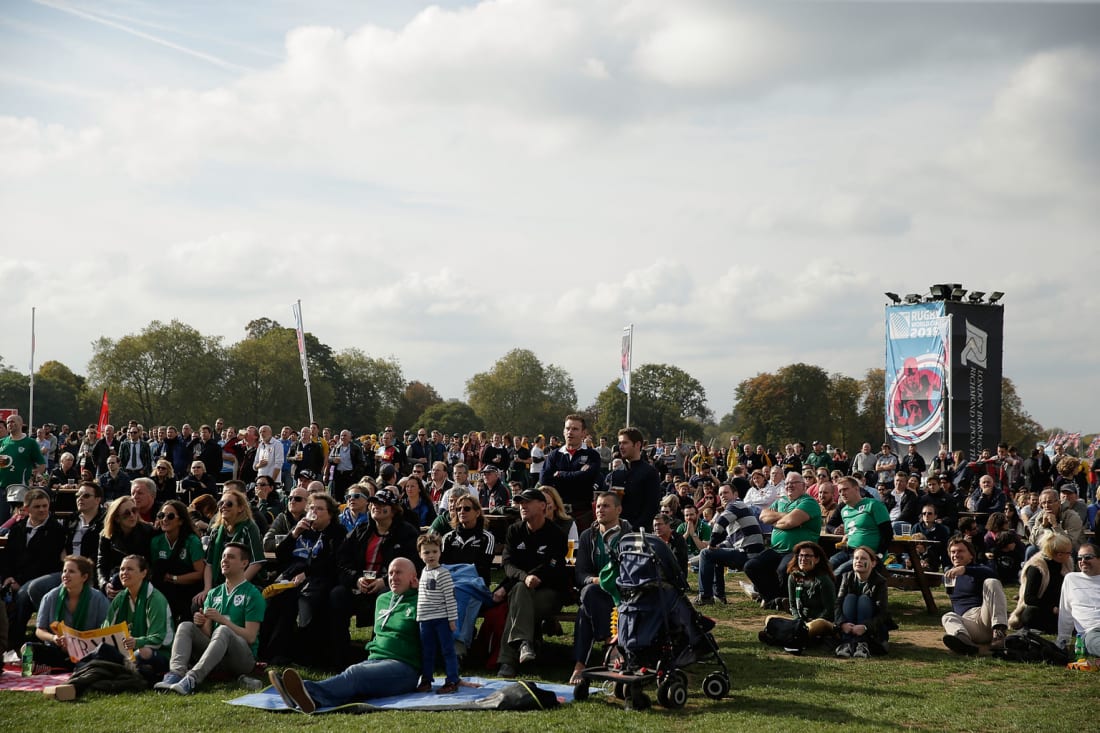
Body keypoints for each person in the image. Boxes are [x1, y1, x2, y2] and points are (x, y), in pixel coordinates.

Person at [267, 558, 422, 713]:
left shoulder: (421, 602)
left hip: (404, 668)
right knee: (352, 680)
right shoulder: (382, 600)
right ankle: (310, 699)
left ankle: (304, 690)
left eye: (399, 573)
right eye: (390, 573)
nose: (393, 577)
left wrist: (427, 678)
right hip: (376, 660)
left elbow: (430, 640)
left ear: (413, 578)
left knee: (356, 674)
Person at [155, 542, 266, 695]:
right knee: (186, 626)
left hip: (242, 659)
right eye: (223, 557)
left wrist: (223, 621)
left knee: (223, 630)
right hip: (214, 657)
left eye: (231, 557)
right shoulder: (214, 593)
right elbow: (208, 634)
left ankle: (192, 679)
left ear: (244, 563)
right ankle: (175, 675)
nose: (224, 560)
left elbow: (251, 637)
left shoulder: (253, 594)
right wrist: (201, 624)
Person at [332, 488, 420, 657]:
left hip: (389, 584)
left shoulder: (407, 533)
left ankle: (379, 650)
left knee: (386, 595)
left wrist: (384, 580)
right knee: (337, 595)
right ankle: (340, 652)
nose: (376, 507)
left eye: (382, 504)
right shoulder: (361, 531)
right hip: (361, 582)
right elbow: (342, 559)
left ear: (393, 509)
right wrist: (356, 579)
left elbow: (414, 563)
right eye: (373, 503)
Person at [265, 492, 346, 667]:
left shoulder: (336, 532)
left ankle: (304, 656)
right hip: (291, 574)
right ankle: (272, 653)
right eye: (311, 508)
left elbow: (333, 562)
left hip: (319, 577)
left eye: (319, 509)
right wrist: (294, 534)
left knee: (305, 600)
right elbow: (280, 555)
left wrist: (307, 573)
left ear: (330, 514)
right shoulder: (302, 529)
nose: (314, 512)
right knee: (277, 598)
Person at [497, 488, 569, 678]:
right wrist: (524, 577)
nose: (523, 506)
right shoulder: (514, 530)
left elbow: (553, 565)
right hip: (522, 589)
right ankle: (524, 644)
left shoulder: (556, 534)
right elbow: (508, 563)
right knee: (520, 591)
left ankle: (508, 661)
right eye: (520, 503)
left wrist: (536, 577)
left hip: (549, 591)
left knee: (518, 602)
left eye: (527, 502)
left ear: (543, 506)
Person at [570, 491, 632, 683]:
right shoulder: (589, 535)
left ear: (618, 509)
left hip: (623, 593)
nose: (600, 510)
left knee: (584, 612)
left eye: (605, 506)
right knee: (590, 593)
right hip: (596, 591)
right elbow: (580, 573)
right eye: (597, 506)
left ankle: (580, 665)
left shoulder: (629, 535)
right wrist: (595, 580)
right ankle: (610, 644)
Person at [745, 472, 823, 609]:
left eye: (793, 483)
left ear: (803, 485)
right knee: (751, 566)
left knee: (783, 569)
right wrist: (786, 517)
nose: (789, 486)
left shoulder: (808, 502)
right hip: (776, 549)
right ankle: (772, 599)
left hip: (798, 551)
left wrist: (777, 520)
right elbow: (763, 516)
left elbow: (790, 522)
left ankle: (782, 600)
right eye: (787, 483)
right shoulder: (781, 501)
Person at [2, 488, 66, 649]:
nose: (42, 510)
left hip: (43, 578)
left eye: (45, 506)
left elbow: (47, 562)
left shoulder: (56, 530)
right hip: (14, 578)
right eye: (37, 506)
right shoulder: (18, 528)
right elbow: (7, 557)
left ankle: (14, 643)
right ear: (27, 509)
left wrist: (20, 582)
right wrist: (8, 577)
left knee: (23, 594)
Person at [29, 555, 109, 669]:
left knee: (104, 654)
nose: (65, 575)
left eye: (71, 571)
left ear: (84, 577)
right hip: (57, 649)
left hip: (87, 650)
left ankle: (67, 666)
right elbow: (39, 630)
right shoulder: (51, 596)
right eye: (64, 571)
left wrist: (79, 643)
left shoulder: (98, 599)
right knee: (29, 649)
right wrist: (54, 639)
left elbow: (105, 632)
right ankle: (69, 666)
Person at [694, 483, 764, 606]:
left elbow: (720, 523)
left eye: (726, 493)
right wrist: (718, 547)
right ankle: (719, 597)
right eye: (720, 494)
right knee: (714, 554)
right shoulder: (739, 508)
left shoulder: (735, 505)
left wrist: (712, 543)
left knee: (706, 553)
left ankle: (705, 596)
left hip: (748, 554)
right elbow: (731, 541)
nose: (722, 496)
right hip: (749, 553)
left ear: (735, 494)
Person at [106, 554, 174, 678]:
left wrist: (137, 642)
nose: (124, 573)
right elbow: (106, 630)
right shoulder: (120, 599)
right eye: (122, 569)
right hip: (127, 651)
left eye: (130, 569)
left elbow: (159, 638)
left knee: (143, 652)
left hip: (159, 652)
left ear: (143, 573)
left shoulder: (155, 599)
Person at [195, 488, 264, 606]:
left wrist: (235, 586)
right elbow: (209, 564)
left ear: (241, 508)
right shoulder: (216, 531)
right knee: (197, 604)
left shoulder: (249, 527)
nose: (223, 506)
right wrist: (207, 589)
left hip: (245, 583)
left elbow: (256, 563)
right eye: (221, 503)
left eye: (229, 503)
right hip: (219, 584)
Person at [941, 535, 1009, 655]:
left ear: (971, 555)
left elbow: (992, 574)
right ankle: (964, 643)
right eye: (953, 552)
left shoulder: (979, 569)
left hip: (986, 618)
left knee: (991, 582)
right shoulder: (948, 576)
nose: (956, 554)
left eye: (960, 551)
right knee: (947, 616)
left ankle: (999, 633)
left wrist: (965, 570)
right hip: (968, 625)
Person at [763, 541, 835, 649]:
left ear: (817, 559)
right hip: (801, 621)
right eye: (801, 555)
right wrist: (798, 620)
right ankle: (795, 636)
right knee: (770, 618)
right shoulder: (794, 577)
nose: (803, 559)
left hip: (821, 621)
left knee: (818, 624)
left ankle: (784, 638)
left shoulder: (823, 579)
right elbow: (793, 605)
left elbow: (829, 610)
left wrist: (812, 621)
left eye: (807, 556)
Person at [540, 414, 604, 532]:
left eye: (575, 429)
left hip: (582, 513)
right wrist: (578, 474)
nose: (570, 432)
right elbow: (544, 481)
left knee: (581, 549)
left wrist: (560, 475)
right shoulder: (554, 455)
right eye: (567, 428)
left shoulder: (592, 455)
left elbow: (587, 477)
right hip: (557, 514)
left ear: (583, 433)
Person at [413, 533, 460, 694]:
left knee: (447, 650)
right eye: (426, 552)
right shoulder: (424, 572)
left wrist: (452, 619)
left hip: (441, 619)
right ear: (420, 554)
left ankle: (452, 680)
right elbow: (427, 592)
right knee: (427, 651)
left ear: (440, 552)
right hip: (425, 620)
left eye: (434, 551)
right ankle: (426, 679)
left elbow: (450, 598)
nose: (431, 555)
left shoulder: (443, 573)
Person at [150, 499, 206, 625]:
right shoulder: (156, 541)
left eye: (170, 516)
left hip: (187, 588)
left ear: (181, 521)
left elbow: (199, 573)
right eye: (161, 516)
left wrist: (174, 578)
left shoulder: (192, 541)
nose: (164, 519)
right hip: (165, 588)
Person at [1009, 533, 1072, 635]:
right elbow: (1029, 598)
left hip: (1061, 607)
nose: (1070, 555)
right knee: (1031, 613)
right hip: (1043, 608)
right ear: (1059, 555)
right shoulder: (1037, 568)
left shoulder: (1067, 564)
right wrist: (1053, 609)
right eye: (1069, 553)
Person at [835, 545, 892, 658]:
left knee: (864, 599)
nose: (859, 561)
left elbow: (883, 613)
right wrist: (842, 623)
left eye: (863, 559)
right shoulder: (846, 577)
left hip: (870, 627)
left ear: (873, 563)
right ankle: (847, 642)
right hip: (849, 623)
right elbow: (837, 604)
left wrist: (865, 627)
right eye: (856, 558)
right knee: (850, 597)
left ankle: (862, 642)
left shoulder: (880, 582)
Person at [98, 495, 157, 599]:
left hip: (142, 577)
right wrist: (104, 584)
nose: (132, 515)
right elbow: (102, 564)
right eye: (126, 513)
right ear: (117, 518)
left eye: (134, 510)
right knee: (115, 581)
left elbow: (153, 564)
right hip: (118, 578)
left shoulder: (148, 531)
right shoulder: (106, 535)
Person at [831, 475, 892, 575]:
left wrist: (879, 556)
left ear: (856, 489)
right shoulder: (844, 510)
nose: (842, 493)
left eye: (845, 489)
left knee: (838, 574)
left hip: (868, 554)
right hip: (849, 551)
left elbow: (888, 533)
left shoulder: (873, 505)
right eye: (840, 491)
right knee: (825, 568)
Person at [605, 427, 661, 531]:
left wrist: (632, 529)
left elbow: (652, 507)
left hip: (639, 534)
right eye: (620, 443)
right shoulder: (616, 474)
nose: (621, 447)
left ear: (637, 444)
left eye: (625, 443)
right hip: (616, 532)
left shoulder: (650, 473)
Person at [1057, 543, 1100, 655]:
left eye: (1088, 557)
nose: (1083, 561)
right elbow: (1065, 613)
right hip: (1092, 632)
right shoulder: (1071, 579)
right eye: (1079, 558)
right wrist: (1063, 640)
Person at [651, 512, 689, 579]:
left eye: (659, 524)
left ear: (668, 525)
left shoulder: (678, 540)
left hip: (675, 578)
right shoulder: (653, 540)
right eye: (655, 525)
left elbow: (676, 562)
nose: (656, 528)